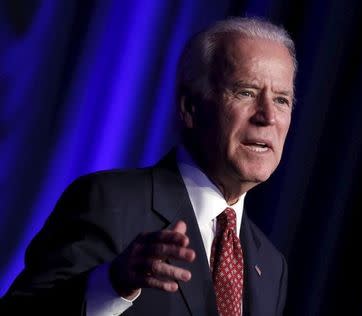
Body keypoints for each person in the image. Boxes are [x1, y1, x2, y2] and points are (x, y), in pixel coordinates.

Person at [1, 16, 297, 315]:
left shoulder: (271, 266)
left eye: (282, 100)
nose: (268, 116)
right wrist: (112, 284)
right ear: (189, 106)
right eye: (245, 92)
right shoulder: (108, 202)